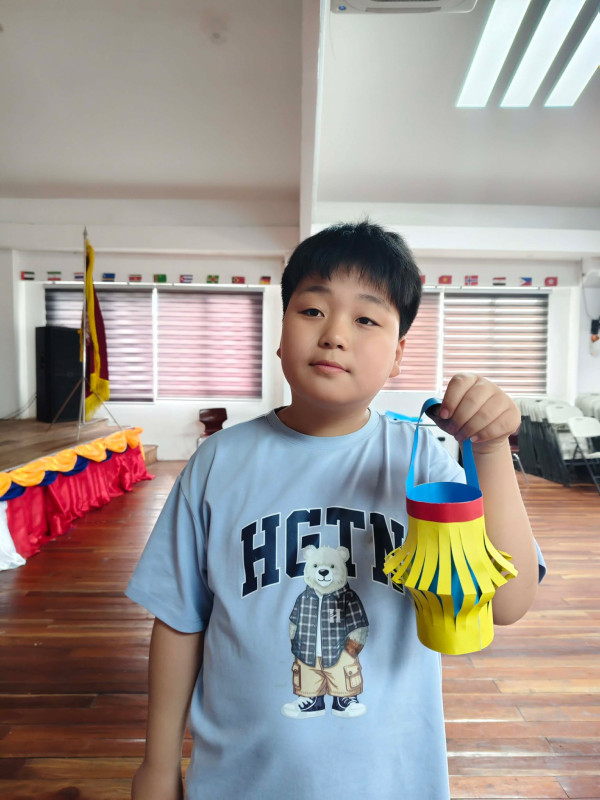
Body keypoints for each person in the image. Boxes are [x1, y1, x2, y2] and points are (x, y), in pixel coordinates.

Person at [126, 221, 544, 800]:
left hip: (390, 781)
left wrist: (491, 449)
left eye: (366, 319)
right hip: (238, 780)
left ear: (398, 356)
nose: (335, 335)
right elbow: (179, 620)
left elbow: (506, 603)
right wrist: (156, 765)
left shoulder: (421, 461)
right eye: (312, 310)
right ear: (280, 334)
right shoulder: (219, 463)